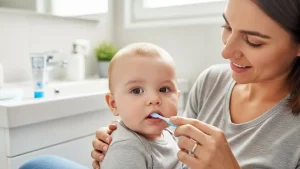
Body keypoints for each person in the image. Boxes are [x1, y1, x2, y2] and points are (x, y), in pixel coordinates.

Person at [19, 0, 300, 169]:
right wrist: (134, 139)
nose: (226, 52)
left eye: (253, 41)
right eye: (227, 27)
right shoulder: (212, 81)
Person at [100, 42, 183, 169]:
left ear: (177, 98)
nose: (154, 99)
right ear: (114, 104)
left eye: (164, 89)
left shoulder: (168, 133)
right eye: (136, 91)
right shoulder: (126, 150)